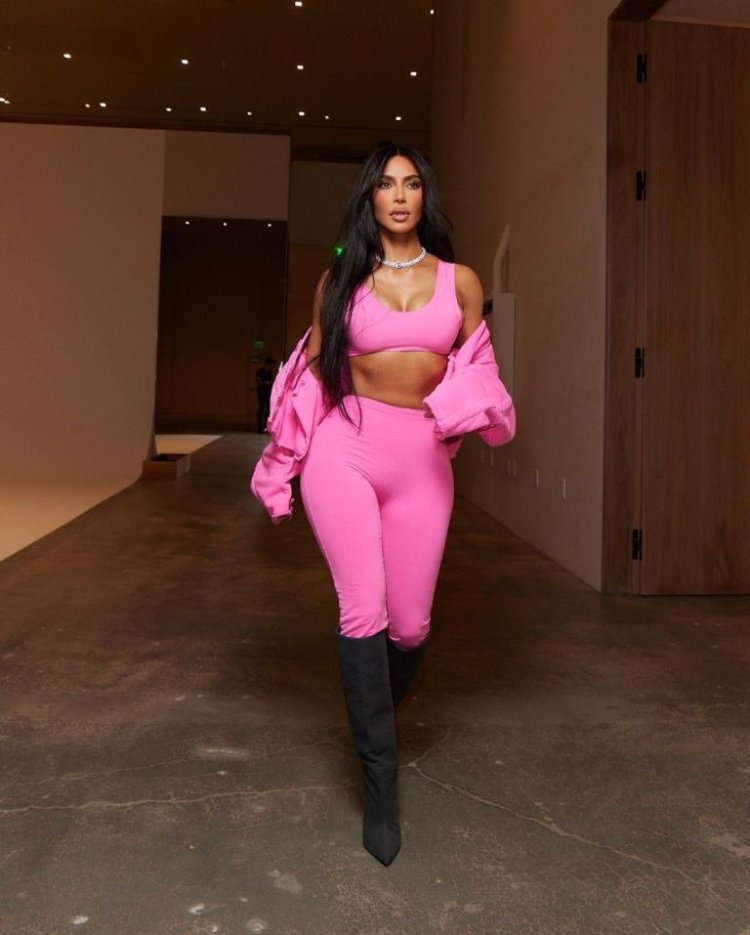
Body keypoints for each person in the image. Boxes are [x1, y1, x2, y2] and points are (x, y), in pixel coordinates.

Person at [250, 144, 515, 866]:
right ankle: (379, 783)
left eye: (412, 184)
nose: (400, 195)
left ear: (425, 197)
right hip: (346, 447)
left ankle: (372, 716)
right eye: (387, 184)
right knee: (362, 607)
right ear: (369, 198)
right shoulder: (339, 281)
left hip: (421, 455)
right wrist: (283, 460)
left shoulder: (461, 281)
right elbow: (311, 372)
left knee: (411, 623)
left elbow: (479, 369)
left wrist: (475, 408)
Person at [255, 357, 275, 433]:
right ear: (267, 364)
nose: (271, 367)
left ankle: (265, 427)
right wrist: (264, 383)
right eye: (270, 365)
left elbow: (271, 381)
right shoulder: (260, 371)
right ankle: (259, 428)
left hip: (268, 392)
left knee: (267, 411)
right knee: (261, 409)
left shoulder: (270, 372)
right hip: (261, 392)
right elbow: (258, 381)